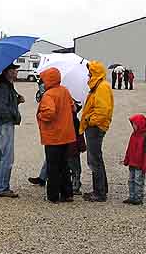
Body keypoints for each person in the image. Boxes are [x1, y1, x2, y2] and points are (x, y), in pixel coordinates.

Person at [37, 67, 76, 203]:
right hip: (66, 135)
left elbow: (49, 113)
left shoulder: (48, 95)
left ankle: (53, 196)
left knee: (53, 167)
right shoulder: (64, 91)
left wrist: (40, 115)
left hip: (53, 136)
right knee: (64, 166)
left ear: (48, 79)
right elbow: (73, 107)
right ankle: (67, 194)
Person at [79, 60, 114, 202]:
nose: (88, 75)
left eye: (90, 72)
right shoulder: (98, 86)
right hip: (95, 127)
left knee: (94, 160)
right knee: (96, 158)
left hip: (95, 128)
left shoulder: (102, 87)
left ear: (95, 73)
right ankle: (101, 189)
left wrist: (89, 121)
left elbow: (102, 111)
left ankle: (99, 193)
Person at [0, 63, 23, 198]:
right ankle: (3, 187)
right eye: (14, 69)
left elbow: (4, 104)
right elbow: (2, 107)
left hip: (0, 123)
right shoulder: (4, 87)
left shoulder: (5, 86)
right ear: (8, 72)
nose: (16, 71)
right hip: (4, 124)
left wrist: (17, 101)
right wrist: (13, 115)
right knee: (7, 157)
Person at [122, 114, 146, 205]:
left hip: (140, 165)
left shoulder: (145, 137)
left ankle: (138, 198)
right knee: (131, 181)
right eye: (133, 124)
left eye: (135, 124)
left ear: (140, 124)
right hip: (132, 163)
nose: (133, 126)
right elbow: (129, 149)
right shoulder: (133, 135)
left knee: (138, 181)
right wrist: (126, 160)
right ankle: (132, 197)